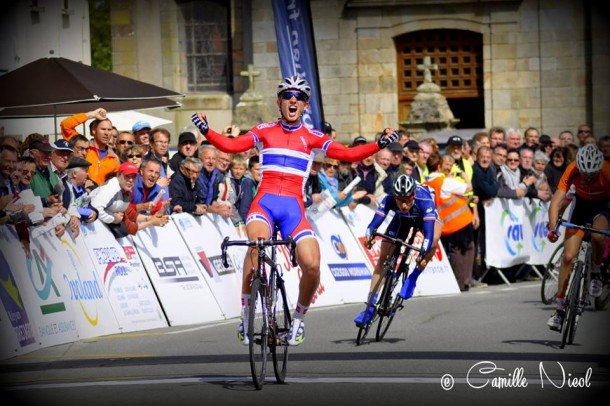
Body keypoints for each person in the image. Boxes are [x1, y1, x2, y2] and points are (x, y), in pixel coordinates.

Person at [190, 75, 398, 346]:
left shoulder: (312, 137)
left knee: (312, 264)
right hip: (263, 203)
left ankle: (298, 319)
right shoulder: (264, 130)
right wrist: (206, 130)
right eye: (287, 95)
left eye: (298, 97)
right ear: (279, 101)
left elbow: (347, 154)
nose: (292, 100)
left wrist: (378, 145)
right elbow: (231, 146)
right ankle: (245, 315)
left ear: (305, 105)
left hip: (293, 209)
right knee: (256, 246)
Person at [354, 175, 440, 326]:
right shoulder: (389, 199)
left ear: (413, 195)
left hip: (423, 217)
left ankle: (413, 277)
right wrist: (369, 236)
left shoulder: (424, 199)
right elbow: (373, 224)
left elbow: (429, 234)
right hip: (401, 220)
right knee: (383, 259)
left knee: (433, 242)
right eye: (400, 200)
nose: (404, 204)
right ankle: (369, 307)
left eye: (407, 200)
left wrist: (422, 252)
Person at [546, 145, 610, 331]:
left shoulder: (607, 171)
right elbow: (556, 202)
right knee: (568, 256)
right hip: (580, 207)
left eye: (592, 174)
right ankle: (558, 310)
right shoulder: (572, 168)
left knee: (598, 235)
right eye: (585, 173)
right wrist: (552, 229)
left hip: (602, 208)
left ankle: (596, 271)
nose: (588, 177)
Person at [426, 154, 479, 291]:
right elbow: (468, 188)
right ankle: (463, 282)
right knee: (465, 250)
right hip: (459, 221)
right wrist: (465, 177)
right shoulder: (444, 181)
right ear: (439, 167)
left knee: (456, 251)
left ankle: (461, 281)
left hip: (445, 224)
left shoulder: (427, 183)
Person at [90, 162, 170, 238]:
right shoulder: (111, 188)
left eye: (133, 177)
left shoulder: (127, 190)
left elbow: (129, 214)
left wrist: (150, 219)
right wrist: (113, 218)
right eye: (127, 176)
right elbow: (94, 209)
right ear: (118, 175)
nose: (131, 180)